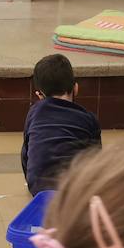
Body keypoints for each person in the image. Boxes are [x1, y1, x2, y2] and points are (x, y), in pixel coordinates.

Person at [20, 54, 102, 196]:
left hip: (40, 187)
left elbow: (27, 152)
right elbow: (96, 158)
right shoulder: (88, 118)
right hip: (78, 190)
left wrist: (30, 178)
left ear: (39, 95)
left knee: (27, 144)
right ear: (75, 88)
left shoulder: (34, 113)